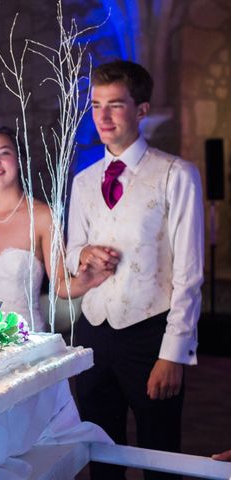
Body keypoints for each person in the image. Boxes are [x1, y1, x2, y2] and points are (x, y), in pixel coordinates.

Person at [66, 60, 204, 479]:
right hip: (93, 332)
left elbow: (190, 273)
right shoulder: (84, 181)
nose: (102, 117)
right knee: (100, 453)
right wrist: (84, 254)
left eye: (115, 105)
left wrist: (173, 354)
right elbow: (71, 249)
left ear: (141, 110)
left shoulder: (176, 175)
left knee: (160, 454)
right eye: (95, 106)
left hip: (150, 334)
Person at [0, 125, 115, 331]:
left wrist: (85, 280)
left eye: (4, 153)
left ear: (19, 160)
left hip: (28, 338)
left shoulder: (43, 217)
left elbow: (61, 286)